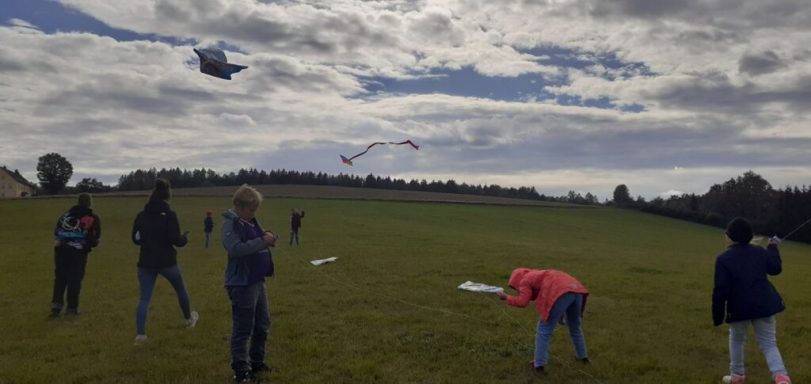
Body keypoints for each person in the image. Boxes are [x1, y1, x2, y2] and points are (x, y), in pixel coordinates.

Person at [713, 217, 791, 384]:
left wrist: (718, 315)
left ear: (730, 237)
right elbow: (775, 268)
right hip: (765, 305)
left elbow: (720, 290)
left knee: (736, 339)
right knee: (769, 344)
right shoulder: (760, 252)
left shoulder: (723, 259)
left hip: (739, 308)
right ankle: (781, 378)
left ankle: (737, 376)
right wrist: (773, 248)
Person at [222, 185, 278, 382]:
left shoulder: (250, 221)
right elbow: (235, 249)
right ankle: (241, 370)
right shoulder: (231, 224)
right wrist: (263, 242)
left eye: (255, 210)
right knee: (243, 328)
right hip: (242, 284)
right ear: (238, 205)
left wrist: (270, 237)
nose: (254, 213)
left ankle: (257, 362)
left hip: (257, 281)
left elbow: (260, 238)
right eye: (251, 209)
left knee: (262, 325)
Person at [131, 179, 198, 345]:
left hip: (146, 262)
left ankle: (141, 335)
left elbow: (135, 238)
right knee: (180, 289)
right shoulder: (169, 215)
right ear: (168, 196)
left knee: (144, 299)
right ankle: (188, 319)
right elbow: (176, 240)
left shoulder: (141, 215)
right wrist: (185, 238)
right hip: (167, 261)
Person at [496, 268, 590, 373]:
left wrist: (506, 297)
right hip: (577, 289)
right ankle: (583, 357)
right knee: (575, 327)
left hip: (559, 290)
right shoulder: (538, 274)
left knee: (544, 329)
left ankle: (538, 365)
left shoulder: (523, 281)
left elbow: (523, 302)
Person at [51, 193, 101, 317]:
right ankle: (71, 309)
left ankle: (56, 306)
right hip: (78, 253)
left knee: (60, 279)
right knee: (75, 280)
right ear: (89, 202)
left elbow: (56, 231)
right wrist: (92, 243)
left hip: (60, 250)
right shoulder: (92, 217)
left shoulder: (65, 216)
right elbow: (93, 238)